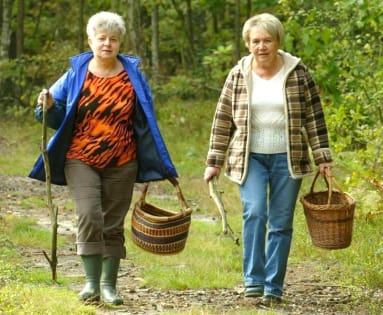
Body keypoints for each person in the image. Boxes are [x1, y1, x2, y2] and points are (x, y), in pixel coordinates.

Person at [29, 11, 178, 305]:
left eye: (113, 39)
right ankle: (90, 283)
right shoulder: (76, 73)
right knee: (89, 214)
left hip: (123, 160)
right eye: (102, 38)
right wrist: (45, 104)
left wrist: (157, 159)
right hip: (80, 157)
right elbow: (49, 114)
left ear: (120, 42)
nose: (107, 44)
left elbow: (146, 119)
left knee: (112, 222)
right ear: (90, 40)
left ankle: (109, 286)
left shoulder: (132, 75)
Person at [203, 13, 333, 305]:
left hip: (289, 157)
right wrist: (214, 160)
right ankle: (253, 280)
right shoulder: (239, 74)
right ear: (248, 44)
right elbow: (223, 118)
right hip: (250, 157)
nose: (261, 46)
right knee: (255, 212)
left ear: (277, 42)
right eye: (255, 41)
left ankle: (273, 286)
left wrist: (323, 156)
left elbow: (314, 117)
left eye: (267, 40)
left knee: (281, 222)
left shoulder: (297, 72)